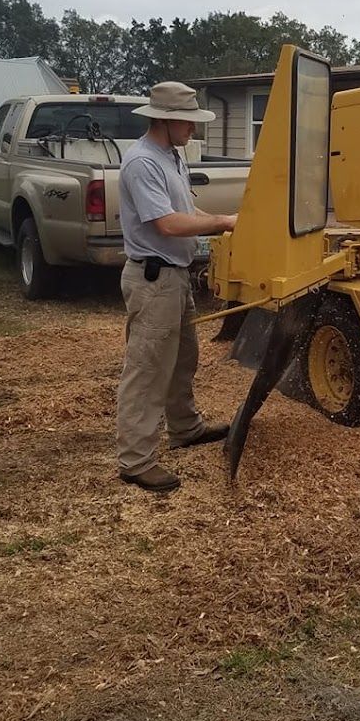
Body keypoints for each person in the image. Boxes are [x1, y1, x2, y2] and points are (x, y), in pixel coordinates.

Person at [115, 81, 238, 493]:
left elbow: (184, 210)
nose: (193, 130)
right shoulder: (142, 163)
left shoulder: (171, 157)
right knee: (148, 369)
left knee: (183, 358)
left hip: (174, 276)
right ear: (166, 121)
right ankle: (135, 460)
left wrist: (226, 220)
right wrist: (222, 223)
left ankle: (185, 427)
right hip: (154, 278)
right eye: (187, 122)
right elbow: (166, 224)